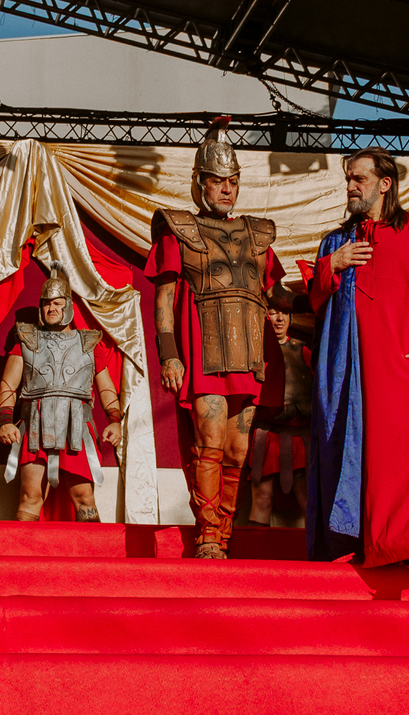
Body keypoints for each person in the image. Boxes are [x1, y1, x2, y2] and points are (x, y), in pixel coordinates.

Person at [307, 146, 409, 579]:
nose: (350, 186)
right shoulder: (337, 241)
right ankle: (354, 544)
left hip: (404, 362)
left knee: (408, 453)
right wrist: (331, 265)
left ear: (384, 184)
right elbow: (316, 301)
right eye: (348, 178)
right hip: (348, 371)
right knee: (350, 450)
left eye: (358, 178)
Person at [146, 117, 304, 558]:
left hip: (251, 357)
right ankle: (208, 535)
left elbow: (276, 293)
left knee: (237, 451)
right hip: (203, 356)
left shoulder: (258, 234)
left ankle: (225, 533)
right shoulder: (179, 230)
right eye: (217, 181)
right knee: (210, 444)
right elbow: (163, 300)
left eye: (232, 181)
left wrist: (328, 287)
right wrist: (169, 355)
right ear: (200, 183)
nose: (227, 189)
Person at [0, 263, 122, 522]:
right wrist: (5, 421)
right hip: (35, 426)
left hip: (77, 426)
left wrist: (115, 420)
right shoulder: (27, 340)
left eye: (57, 303)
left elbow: (106, 387)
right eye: (46, 304)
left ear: (68, 306)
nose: (51, 308)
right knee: (30, 497)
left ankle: (92, 551)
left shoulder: (88, 342)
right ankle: (22, 550)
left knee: (84, 498)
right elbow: (8, 385)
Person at [247, 307, 311, 526]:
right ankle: (256, 548)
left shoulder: (303, 350)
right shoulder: (254, 351)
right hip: (266, 436)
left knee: (307, 500)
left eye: (284, 313)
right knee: (262, 499)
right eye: (273, 313)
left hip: (300, 438)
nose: (280, 319)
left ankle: (313, 548)